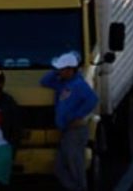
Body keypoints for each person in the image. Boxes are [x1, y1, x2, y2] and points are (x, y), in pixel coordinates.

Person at [40, 51, 98, 191]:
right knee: (60, 167)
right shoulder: (63, 84)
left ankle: (80, 187)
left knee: (75, 165)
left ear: (70, 69)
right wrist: (55, 72)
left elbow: (92, 100)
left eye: (62, 69)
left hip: (75, 131)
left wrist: (78, 116)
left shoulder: (79, 84)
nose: (59, 72)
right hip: (66, 131)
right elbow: (44, 81)